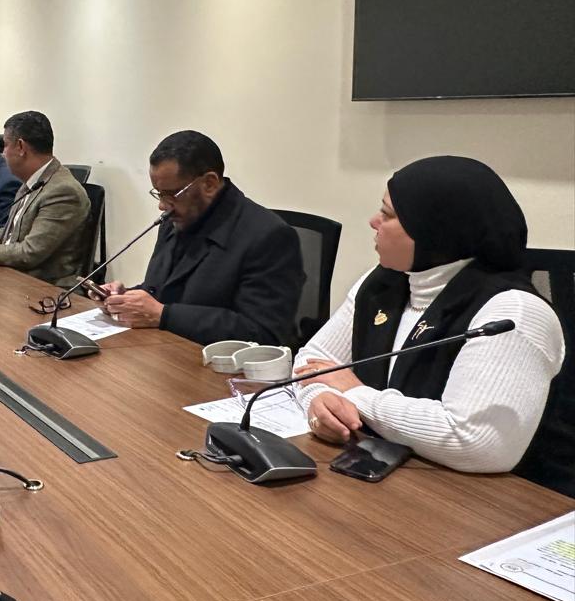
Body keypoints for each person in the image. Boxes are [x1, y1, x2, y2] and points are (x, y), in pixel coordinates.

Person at [292, 156, 564, 474]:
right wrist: (320, 401)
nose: (373, 222)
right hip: (388, 467)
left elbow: (479, 444)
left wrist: (355, 394)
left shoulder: (515, 313)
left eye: (387, 215)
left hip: (497, 494)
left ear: (434, 231)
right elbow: (311, 363)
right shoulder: (383, 281)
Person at [100, 130, 303, 347]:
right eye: (159, 193)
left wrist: (163, 315)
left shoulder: (269, 236)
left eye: (172, 194)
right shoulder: (175, 218)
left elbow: (262, 333)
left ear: (209, 184)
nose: (162, 205)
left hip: (219, 362)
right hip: (167, 350)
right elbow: (162, 290)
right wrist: (124, 298)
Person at [0, 111, 90, 288]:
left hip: (44, 289)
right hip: (14, 281)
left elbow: (30, 252)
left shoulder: (63, 191)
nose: (3, 154)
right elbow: (10, 234)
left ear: (21, 147)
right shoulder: (33, 181)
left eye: (5, 146)